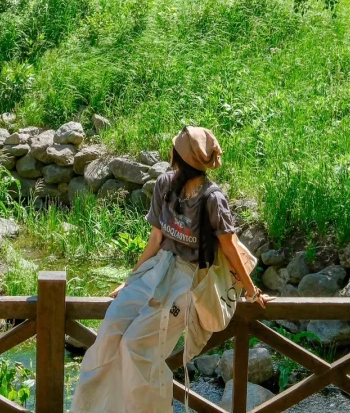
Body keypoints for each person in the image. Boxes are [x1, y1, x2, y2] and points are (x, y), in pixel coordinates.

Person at [70, 125, 266, 413]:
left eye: (173, 147)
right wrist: (131, 280)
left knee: (136, 349)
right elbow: (155, 239)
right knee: (110, 331)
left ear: (180, 157)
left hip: (186, 281)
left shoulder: (212, 199)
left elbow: (229, 247)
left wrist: (251, 290)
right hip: (156, 270)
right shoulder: (164, 185)